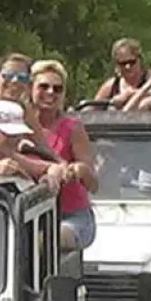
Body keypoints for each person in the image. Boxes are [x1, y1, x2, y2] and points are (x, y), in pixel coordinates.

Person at [31, 60, 98, 250]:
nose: (50, 93)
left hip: (71, 217)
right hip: (27, 213)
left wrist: (79, 170)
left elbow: (93, 184)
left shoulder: (73, 128)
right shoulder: (19, 125)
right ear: (30, 88)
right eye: (43, 86)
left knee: (44, 241)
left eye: (57, 89)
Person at [94, 38, 148, 109]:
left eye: (131, 62)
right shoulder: (111, 86)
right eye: (123, 63)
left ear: (139, 60)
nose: (127, 67)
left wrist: (129, 94)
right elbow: (90, 109)